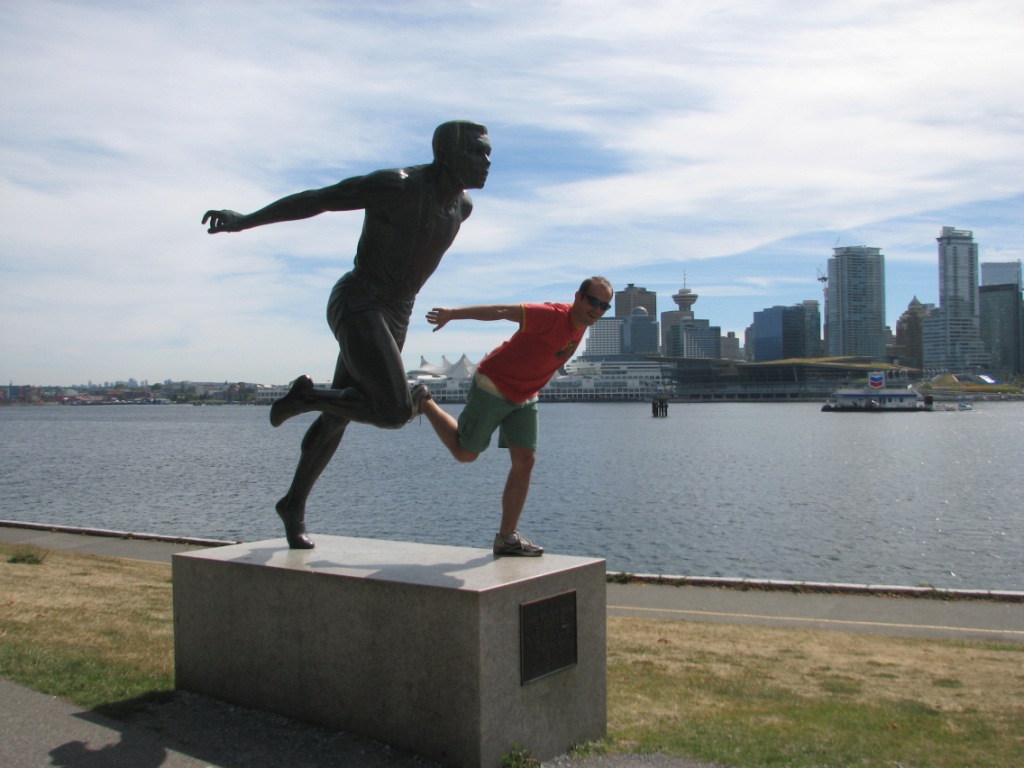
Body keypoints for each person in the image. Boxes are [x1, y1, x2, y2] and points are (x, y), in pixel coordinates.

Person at [202, 121, 491, 549]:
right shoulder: (397, 186)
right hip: (359, 299)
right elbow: (319, 200)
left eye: (488, 153)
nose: (487, 162)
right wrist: (245, 221)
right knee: (394, 410)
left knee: (339, 414)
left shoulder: (461, 208)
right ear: (447, 154)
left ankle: (293, 504)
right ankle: (305, 398)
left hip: (397, 314)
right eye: (478, 152)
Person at [413, 277, 614, 556]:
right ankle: (424, 401)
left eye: (605, 306)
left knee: (526, 460)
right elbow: (501, 311)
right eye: (594, 302)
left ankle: (507, 538)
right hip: (494, 385)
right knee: (465, 453)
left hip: (525, 396)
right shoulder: (552, 315)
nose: (598, 310)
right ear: (578, 297)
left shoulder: (582, 326)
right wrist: (452, 314)